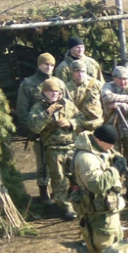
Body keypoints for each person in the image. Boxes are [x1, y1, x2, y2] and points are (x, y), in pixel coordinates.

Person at [72, 124, 126, 253]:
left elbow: (110, 159)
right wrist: (115, 170)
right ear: (100, 141)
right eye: (110, 144)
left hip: (109, 210)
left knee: (116, 245)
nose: (112, 148)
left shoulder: (100, 150)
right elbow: (97, 185)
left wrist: (116, 161)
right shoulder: (86, 158)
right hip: (98, 213)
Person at [28, 77, 79, 220]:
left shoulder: (68, 105)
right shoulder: (38, 108)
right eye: (50, 92)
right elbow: (34, 127)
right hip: (53, 148)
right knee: (59, 179)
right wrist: (47, 113)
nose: (54, 95)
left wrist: (71, 123)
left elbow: (81, 119)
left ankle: (75, 199)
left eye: (56, 92)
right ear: (44, 92)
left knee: (76, 177)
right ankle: (65, 206)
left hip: (71, 146)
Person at [101, 65, 128, 201]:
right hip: (112, 132)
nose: (123, 82)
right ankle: (115, 187)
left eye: (126, 79)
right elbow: (106, 97)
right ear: (114, 78)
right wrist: (124, 98)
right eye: (120, 79)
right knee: (113, 160)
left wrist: (121, 105)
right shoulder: (108, 86)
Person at [17, 52, 56, 202]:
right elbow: (22, 109)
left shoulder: (58, 82)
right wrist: (30, 130)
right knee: (43, 163)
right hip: (39, 129)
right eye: (46, 64)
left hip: (58, 130)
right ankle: (44, 193)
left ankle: (59, 192)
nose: (49, 67)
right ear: (39, 65)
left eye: (52, 65)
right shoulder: (28, 84)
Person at [64, 60, 104, 135]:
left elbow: (105, 103)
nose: (80, 74)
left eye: (82, 71)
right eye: (77, 71)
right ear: (72, 72)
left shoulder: (96, 84)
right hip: (77, 125)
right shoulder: (66, 88)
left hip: (96, 124)